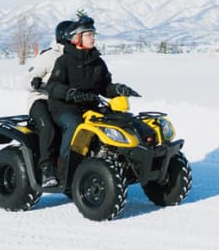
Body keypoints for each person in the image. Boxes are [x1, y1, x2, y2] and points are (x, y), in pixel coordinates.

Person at [45, 15, 139, 179]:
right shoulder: (64, 61)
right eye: (89, 35)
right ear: (76, 38)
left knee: (116, 121)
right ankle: (64, 168)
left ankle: (114, 160)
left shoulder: (98, 62)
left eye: (93, 34)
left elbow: (104, 87)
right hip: (64, 107)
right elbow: (52, 86)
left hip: (90, 106)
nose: (93, 38)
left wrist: (118, 89)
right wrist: (69, 93)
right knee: (75, 124)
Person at [26, 20, 73, 188]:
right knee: (48, 126)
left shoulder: (75, 56)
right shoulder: (48, 56)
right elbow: (27, 78)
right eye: (74, 35)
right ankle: (47, 168)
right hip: (41, 99)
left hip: (64, 101)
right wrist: (35, 83)